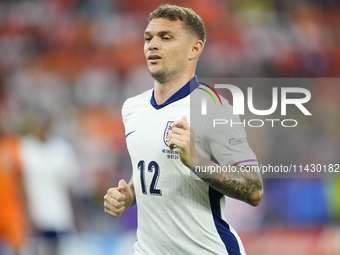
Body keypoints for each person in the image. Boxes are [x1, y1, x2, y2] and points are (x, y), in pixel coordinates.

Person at [104, 4, 263, 255]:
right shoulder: (132, 108)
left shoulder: (213, 109)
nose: (152, 45)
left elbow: (254, 190)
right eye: (148, 38)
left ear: (194, 49)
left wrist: (197, 162)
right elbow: (151, 169)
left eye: (166, 37)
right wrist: (129, 196)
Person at [0, 121, 28, 255]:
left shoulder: (12, 146)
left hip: (11, 209)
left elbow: (21, 179)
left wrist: (26, 207)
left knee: (18, 247)